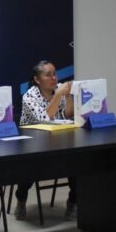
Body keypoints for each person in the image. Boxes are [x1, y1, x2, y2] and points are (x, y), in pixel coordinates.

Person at [14, 60, 77, 221]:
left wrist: (68, 95)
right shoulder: (29, 96)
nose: (54, 78)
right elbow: (44, 119)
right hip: (33, 145)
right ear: (37, 79)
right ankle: (21, 199)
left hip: (57, 141)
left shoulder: (59, 91)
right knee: (27, 170)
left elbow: (67, 115)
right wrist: (59, 94)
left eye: (54, 73)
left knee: (78, 163)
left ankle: (73, 201)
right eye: (48, 75)